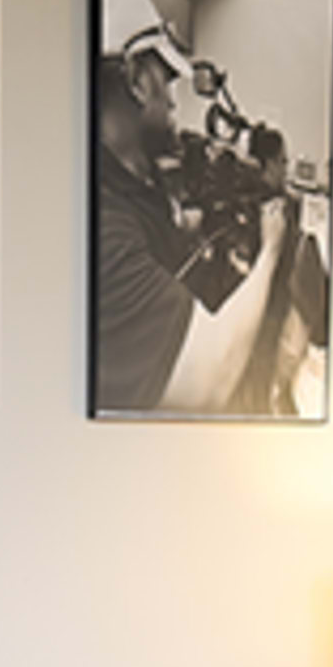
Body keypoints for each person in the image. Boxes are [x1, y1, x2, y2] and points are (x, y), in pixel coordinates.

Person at [91, 36, 292, 417]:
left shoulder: (137, 187)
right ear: (135, 79)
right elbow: (206, 384)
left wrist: (184, 232)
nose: (171, 101)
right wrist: (271, 251)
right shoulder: (105, 228)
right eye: (165, 82)